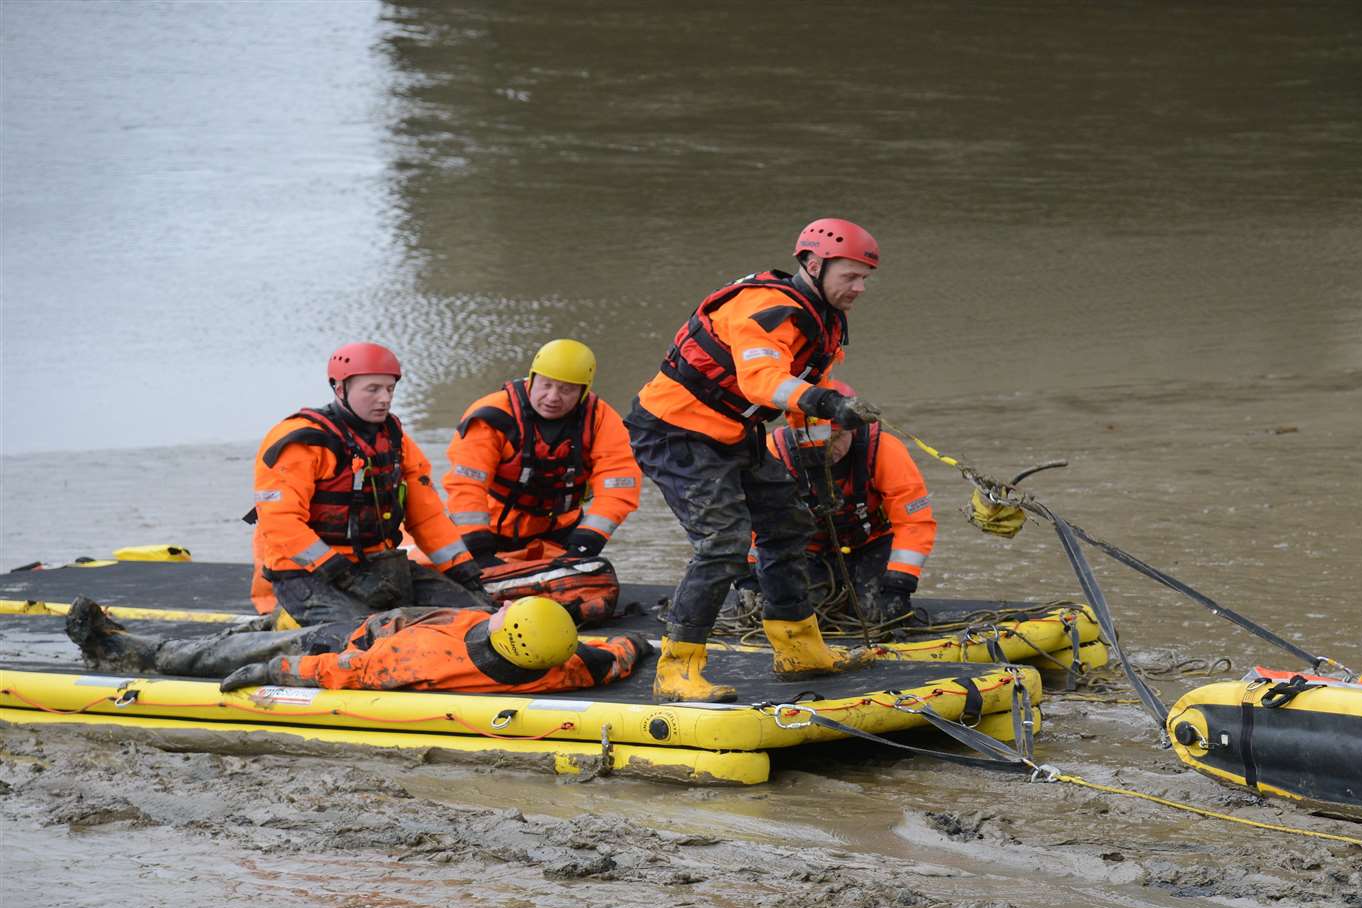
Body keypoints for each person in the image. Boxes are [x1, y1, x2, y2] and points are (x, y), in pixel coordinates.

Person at [624, 218, 887, 702]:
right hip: (673, 429)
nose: (861, 287)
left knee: (790, 525)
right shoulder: (767, 308)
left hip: (730, 431)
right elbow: (761, 381)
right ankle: (677, 669)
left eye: (865, 277)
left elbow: (798, 401)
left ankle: (798, 649)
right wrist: (828, 404)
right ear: (813, 263)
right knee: (723, 544)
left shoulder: (824, 319)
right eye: (851, 275)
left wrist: (817, 472)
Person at [248, 342, 488, 623]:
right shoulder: (301, 441)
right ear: (340, 389)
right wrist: (342, 574)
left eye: (390, 389)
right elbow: (280, 522)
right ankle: (287, 622)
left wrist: (464, 571)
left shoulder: (395, 440)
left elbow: (427, 518)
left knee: (478, 617)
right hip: (307, 575)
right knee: (363, 638)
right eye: (372, 389)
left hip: (378, 567)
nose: (384, 399)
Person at [64, 595, 649, 695]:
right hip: (397, 623)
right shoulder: (565, 665)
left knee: (274, 645)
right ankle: (262, 625)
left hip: (360, 639)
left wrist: (270, 674)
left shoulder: (414, 662)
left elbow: (330, 670)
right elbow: (615, 655)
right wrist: (641, 644)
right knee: (276, 627)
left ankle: (143, 653)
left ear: (505, 626)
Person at [444, 339, 642, 566]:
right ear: (532, 379)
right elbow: (466, 484)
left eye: (566, 390)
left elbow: (618, 487)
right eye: (546, 385)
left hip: (561, 537)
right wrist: (478, 547)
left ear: (583, 391)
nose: (553, 397)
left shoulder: (602, 422)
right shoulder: (493, 416)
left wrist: (586, 543)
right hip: (490, 534)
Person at [761, 379, 936, 626]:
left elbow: (913, 523)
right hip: (807, 548)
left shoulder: (885, 451)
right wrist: (751, 579)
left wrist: (899, 584)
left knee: (878, 616)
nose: (826, 449)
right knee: (798, 617)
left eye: (836, 436)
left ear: (853, 429)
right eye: (813, 439)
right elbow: (754, 522)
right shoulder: (774, 453)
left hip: (871, 543)